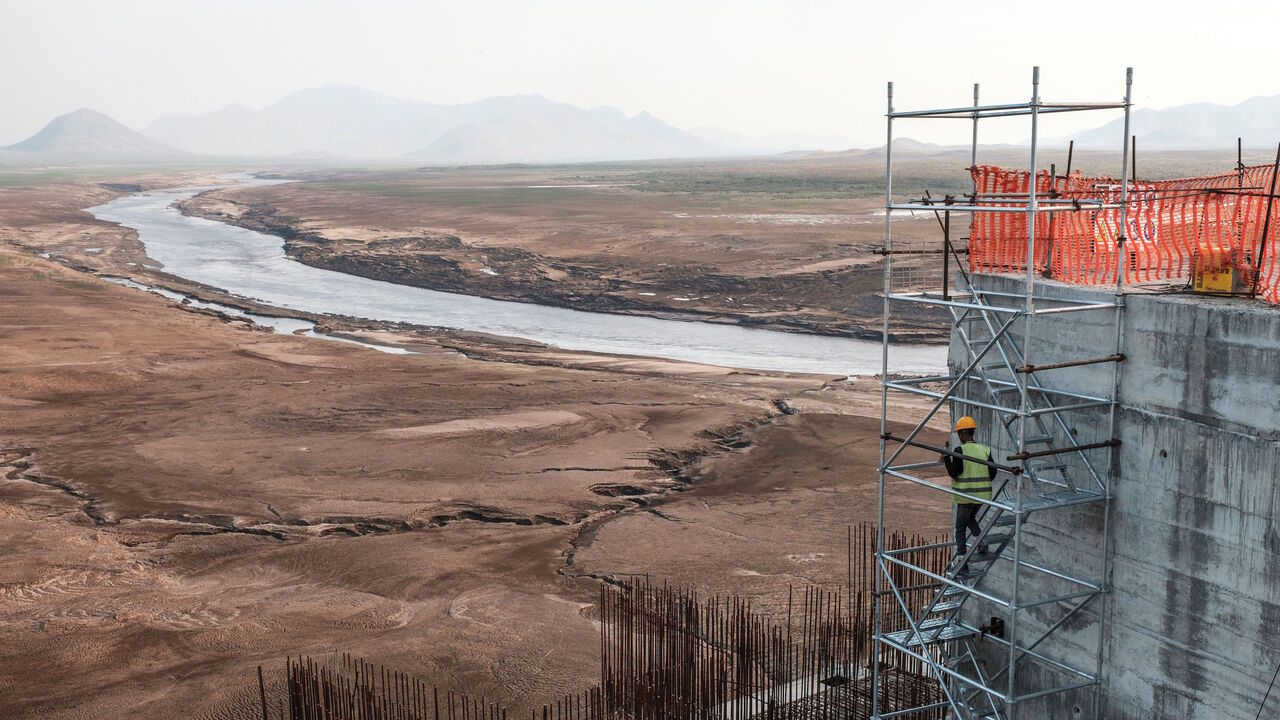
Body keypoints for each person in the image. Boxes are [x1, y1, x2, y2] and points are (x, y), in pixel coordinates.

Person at [940, 416, 997, 564]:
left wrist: (946, 459)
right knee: (970, 518)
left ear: (961, 434)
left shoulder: (960, 450)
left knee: (960, 527)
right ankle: (982, 542)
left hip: (966, 495)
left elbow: (954, 472)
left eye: (959, 434)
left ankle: (961, 557)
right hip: (982, 495)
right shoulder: (984, 450)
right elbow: (993, 472)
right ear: (972, 432)